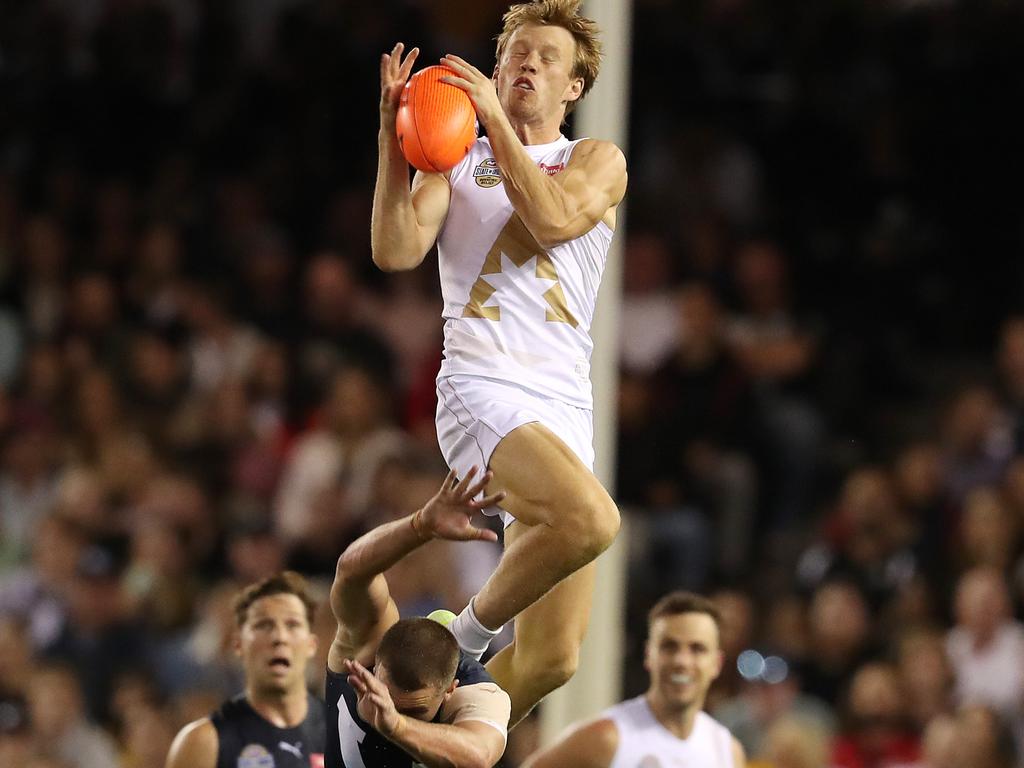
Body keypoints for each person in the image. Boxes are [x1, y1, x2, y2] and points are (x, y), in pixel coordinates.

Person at [371, 0, 627, 724]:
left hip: (562, 407)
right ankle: (460, 638)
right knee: (592, 521)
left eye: (547, 57)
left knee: (553, 658)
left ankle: (421, 743)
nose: (525, 64)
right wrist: (395, 144)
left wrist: (496, 125)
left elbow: (550, 219)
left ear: (573, 87)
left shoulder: (595, 160)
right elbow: (394, 252)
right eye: (515, 51)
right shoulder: (456, 163)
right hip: (483, 389)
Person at [326, 467, 512, 767]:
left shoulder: (478, 693)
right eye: (385, 695)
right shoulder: (364, 651)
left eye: (414, 710)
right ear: (377, 668)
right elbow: (351, 572)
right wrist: (420, 526)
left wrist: (396, 726)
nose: (390, 709)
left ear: (450, 689)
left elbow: (478, 756)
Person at [521, 591, 746, 767]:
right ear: (649, 655)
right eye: (669, 646)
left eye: (697, 649)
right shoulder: (608, 739)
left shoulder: (727, 751)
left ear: (716, 663)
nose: (682, 661)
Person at [165, 571, 325, 768]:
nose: (279, 637)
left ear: (311, 644)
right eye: (263, 625)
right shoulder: (203, 744)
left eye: (292, 625)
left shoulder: (341, 733)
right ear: (238, 645)